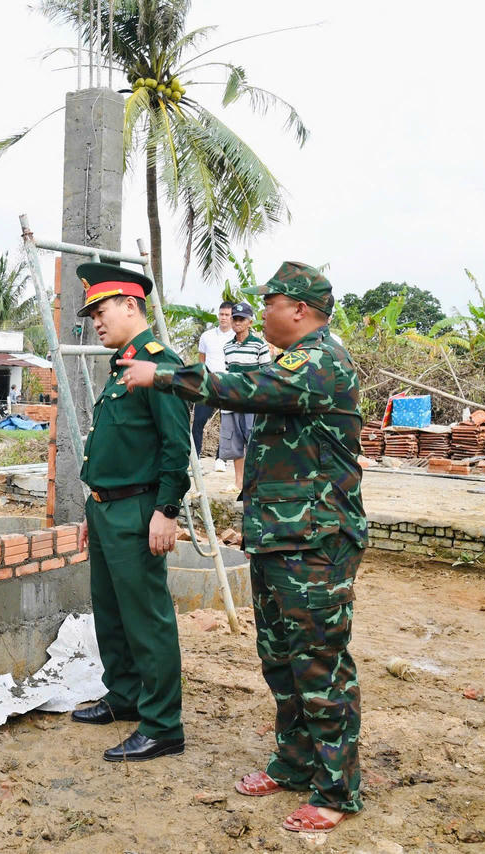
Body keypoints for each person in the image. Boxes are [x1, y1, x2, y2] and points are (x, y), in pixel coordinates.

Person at [116, 261, 366, 834]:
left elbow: (243, 389)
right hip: (281, 537)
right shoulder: (292, 359)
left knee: (320, 665)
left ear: (297, 310)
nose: (258, 312)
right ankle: (294, 763)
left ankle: (337, 791)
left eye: (269, 303)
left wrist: (163, 376)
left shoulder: (323, 361)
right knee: (280, 659)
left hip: (318, 543)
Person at [67, 262, 192, 763]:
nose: (96, 322)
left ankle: (163, 725)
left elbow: (175, 445)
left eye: (102, 311)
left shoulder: (160, 364)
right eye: (92, 314)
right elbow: (113, 445)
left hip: (140, 510)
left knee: (147, 618)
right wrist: (91, 507)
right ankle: (124, 697)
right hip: (105, 510)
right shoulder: (123, 364)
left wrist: (166, 508)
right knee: (112, 612)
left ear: (131, 305)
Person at [220, 301, 270, 491]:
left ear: (250, 322)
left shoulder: (259, 345)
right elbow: (228, 373)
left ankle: (255, 481)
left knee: (254, 442)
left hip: (252, 402)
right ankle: (239, 482)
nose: (237, 322)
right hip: (232, 401)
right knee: (236, 444)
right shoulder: (228, 347)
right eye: (235, 319)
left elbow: (267, 375)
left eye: (241, 319)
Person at [194, 302, 233, 472]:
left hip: (227, 382)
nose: (224, 318)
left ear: (232, 317)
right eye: (221, 314)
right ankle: (195, 458)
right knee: (198, 421)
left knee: (227, 423)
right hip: (208, 382)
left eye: (227, 315)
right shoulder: (207, 336)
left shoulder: (236, 337)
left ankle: (221, 459)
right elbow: (201, 359)